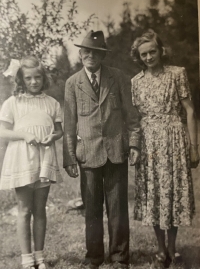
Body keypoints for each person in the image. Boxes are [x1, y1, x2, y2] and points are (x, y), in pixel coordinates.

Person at [63, 30, 140, 269]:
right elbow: (69, 123)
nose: (91, 56)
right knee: (92, 210)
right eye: (87, 51)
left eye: (96, 52)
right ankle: (93, 257)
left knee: (118, 209)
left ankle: (119, 258)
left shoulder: (118, 77)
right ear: (81, 54)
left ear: (102, 55)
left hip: (116, 151)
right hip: (88, 154)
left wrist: (135, 143)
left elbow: (132, 116)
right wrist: (69, 158)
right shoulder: (72, 83)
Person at [130, 30, 199, 269]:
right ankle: (160, 251)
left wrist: (193, 146)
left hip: (174, 140)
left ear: (161, 51)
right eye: (144, 54)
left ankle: (173, 249)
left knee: (172, 194)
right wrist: (135, 146)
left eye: (152, 52)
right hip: (149, 143)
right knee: (155, 195)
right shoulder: (135, 82)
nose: (149, 57)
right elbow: (135, 119)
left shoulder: (177, 74)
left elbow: (190, 111)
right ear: (138, 57)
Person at [0, 56, 63, 269]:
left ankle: (40, 256)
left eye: (37, 77)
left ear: (43, 78)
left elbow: (59, 131)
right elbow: (2, 132)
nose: (34, 82)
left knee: (40, 209)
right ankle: (26, 258)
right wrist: (25, 136)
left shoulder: (52, 103)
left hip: (43, 158)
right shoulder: (13, 103)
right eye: (29, 78)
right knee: (24, 209)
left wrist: (53, 137)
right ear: (21, 79)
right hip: (21, 159)